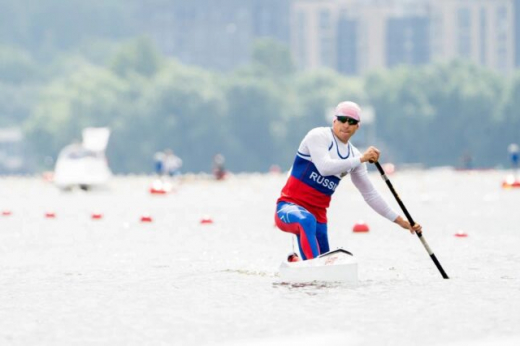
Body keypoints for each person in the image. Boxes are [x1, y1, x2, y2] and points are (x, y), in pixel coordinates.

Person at [274, 101, 422, 262]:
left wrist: (401, 221)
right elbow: (325, 167)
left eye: (352, 121)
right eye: (343, 119)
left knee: (325, 258)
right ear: (334, 120)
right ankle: (313, 270)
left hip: (319, 217)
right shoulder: (318, 136)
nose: (346, 124)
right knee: (307, 221)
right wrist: (361, 159)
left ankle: (310, 274)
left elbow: (370, 195)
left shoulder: (353, 154)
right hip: (289, 208)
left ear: (357, 127)